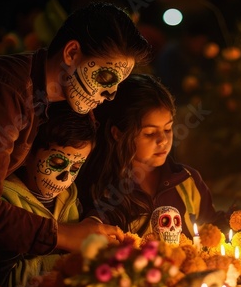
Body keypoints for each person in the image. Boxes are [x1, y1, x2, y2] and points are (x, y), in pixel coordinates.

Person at [0, 2, 149, 287]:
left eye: (118, 84)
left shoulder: (68, 99)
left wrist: (93, 224)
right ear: (72, 53)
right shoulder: (2, 91)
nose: (111, 94)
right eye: (105, 77)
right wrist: (62, 234)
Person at [78, 74, 227, 239]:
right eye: (149, 133)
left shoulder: (187, 181)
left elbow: (212, 229)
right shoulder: (104, 191)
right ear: (118, 134)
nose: (163, 140)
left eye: (168, 129)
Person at [2, 102, 95, 287]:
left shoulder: (70, 200)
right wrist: (69, 262)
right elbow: (8, 283)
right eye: (57, 163)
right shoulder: (5, 202)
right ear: (26, 154)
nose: (65, 177)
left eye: (76, 166)